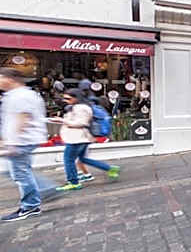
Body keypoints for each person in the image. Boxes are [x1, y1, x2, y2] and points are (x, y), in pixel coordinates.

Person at [0, 68, 61, 221]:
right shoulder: (20, 94)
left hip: (21, 140)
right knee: (19, 171)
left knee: (20, 173)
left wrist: (12, 142)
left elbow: (23, 118)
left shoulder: (21, 96)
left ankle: (30, 206)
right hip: (22, 140)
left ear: (10, 79)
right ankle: (45, 190)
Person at [53, 89, 119, 191]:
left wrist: (62, 120)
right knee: (82, 159)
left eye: (68, 98)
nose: (65, 100)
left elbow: (81, 123)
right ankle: (109, 168)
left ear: (76, 98)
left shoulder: (81, 108)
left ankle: (73, 182)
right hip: (81, 138)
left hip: (76, 139)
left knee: (68, 160)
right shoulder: (80, 107)